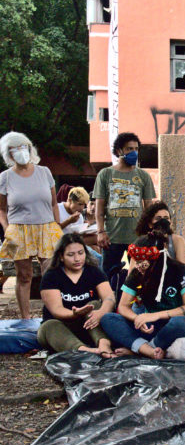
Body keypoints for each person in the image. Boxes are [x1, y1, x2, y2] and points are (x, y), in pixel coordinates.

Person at [100, 228, 185, 359]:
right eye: (137, 261)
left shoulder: (179, 269)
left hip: (176, 324)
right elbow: (123, 306)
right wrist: (137, 319)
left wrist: (155, 316)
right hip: (151, 326)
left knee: (181, 323)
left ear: (157, 258)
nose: (139, 266)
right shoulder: (137, 272)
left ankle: (142, 349)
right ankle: (147, 350)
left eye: (144, 262)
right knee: (108, 319)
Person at [0, 132, 62, 319]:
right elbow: (2, 209)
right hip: (19, 229)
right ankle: (25, 317)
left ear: (30, 148)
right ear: (8, 154)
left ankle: (54, 313)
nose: (20, 152)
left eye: (23, 147)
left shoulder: (45, 172)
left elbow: (53, 203)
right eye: (15, 149)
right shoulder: (5, 177)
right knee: (24, 275)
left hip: (46, 227)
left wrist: (57, 227)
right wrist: (7, 229)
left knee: (50, 272)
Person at [38, 233, 116, 356]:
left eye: (80, 253)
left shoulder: (94, 271)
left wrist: (101, 312)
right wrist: (74, 314)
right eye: (71, 255)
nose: (77, 259)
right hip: (61, 328)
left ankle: (104, 344)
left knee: (95, 304)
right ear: (61, 257)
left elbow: (109, 297)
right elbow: (56, 309)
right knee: (49, 325)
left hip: (89, 326)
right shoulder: (51, 276)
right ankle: (86, 351)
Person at [93, 132, 156, 277]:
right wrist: (101, 231)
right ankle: (107, 299)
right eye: (129, 149)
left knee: (140, 274)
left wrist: (149, 232)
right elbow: (100, 205)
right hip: (111, 237)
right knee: (107, 274)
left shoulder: (143, 176)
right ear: (118, 151)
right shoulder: (105, 174)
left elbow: (149, 206)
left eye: (136, 149)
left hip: (137, 236)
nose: (134, 152)